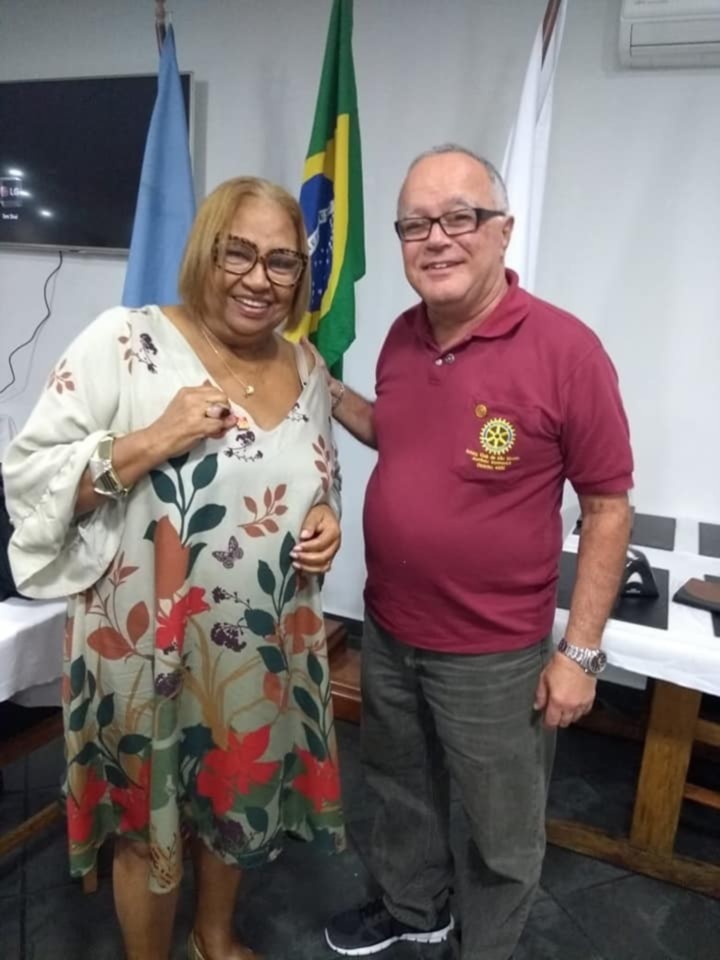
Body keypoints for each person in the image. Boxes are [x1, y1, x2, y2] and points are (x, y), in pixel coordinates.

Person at [3, 176, 344, 960]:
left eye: (282, 262)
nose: (259, 278)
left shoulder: (307, 366)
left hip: (256, 648)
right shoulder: (124, 342)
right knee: (146, 820)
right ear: (203, 253)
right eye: (238, 253)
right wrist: (151, 439)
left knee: (236, 793)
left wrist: (328, 518)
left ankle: (212, 937)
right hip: (145, 649)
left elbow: (317, 478)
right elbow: (30, 476)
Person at [322, 145, 633, 960]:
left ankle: (487, 948)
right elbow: (401, 433)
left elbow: (607, 508)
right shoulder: (401, 337)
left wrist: (581, 654)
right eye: (415, 224)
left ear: (503, 230)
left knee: (501, 825)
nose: (437, 238)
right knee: (399, 790)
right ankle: (413, 908)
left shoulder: (566, 351)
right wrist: (328, 389)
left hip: (494, 654)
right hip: (389, 629)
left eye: (459, 217)